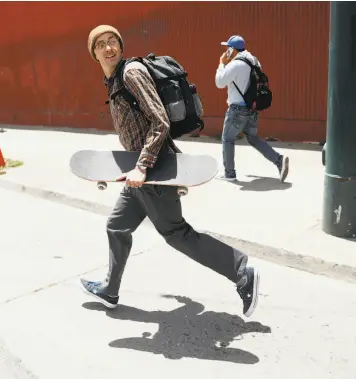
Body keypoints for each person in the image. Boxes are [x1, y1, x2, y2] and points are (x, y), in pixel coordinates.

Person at [79, 25, 260, 318]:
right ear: (94, 53)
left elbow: (160, 121)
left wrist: (141, 165)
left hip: (152, 170)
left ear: (120, 46)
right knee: (117, 225)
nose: (108, 47)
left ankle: (241, 272)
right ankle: (110, 290)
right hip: (139, 172)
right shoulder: (113, 81)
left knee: (177, 233)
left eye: (113, 41)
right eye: (101, 44)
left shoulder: (130, 73)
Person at [215, 35, 289, 182]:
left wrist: (221, 63)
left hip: (237, 110)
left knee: (228, 139)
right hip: (252, 109)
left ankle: (229, 174)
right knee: (253, 138)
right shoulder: (254, 60)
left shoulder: (235, 64)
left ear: (232, 50)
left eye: (228, 48)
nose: (226, 51)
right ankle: (279, 160)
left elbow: (219, 82)